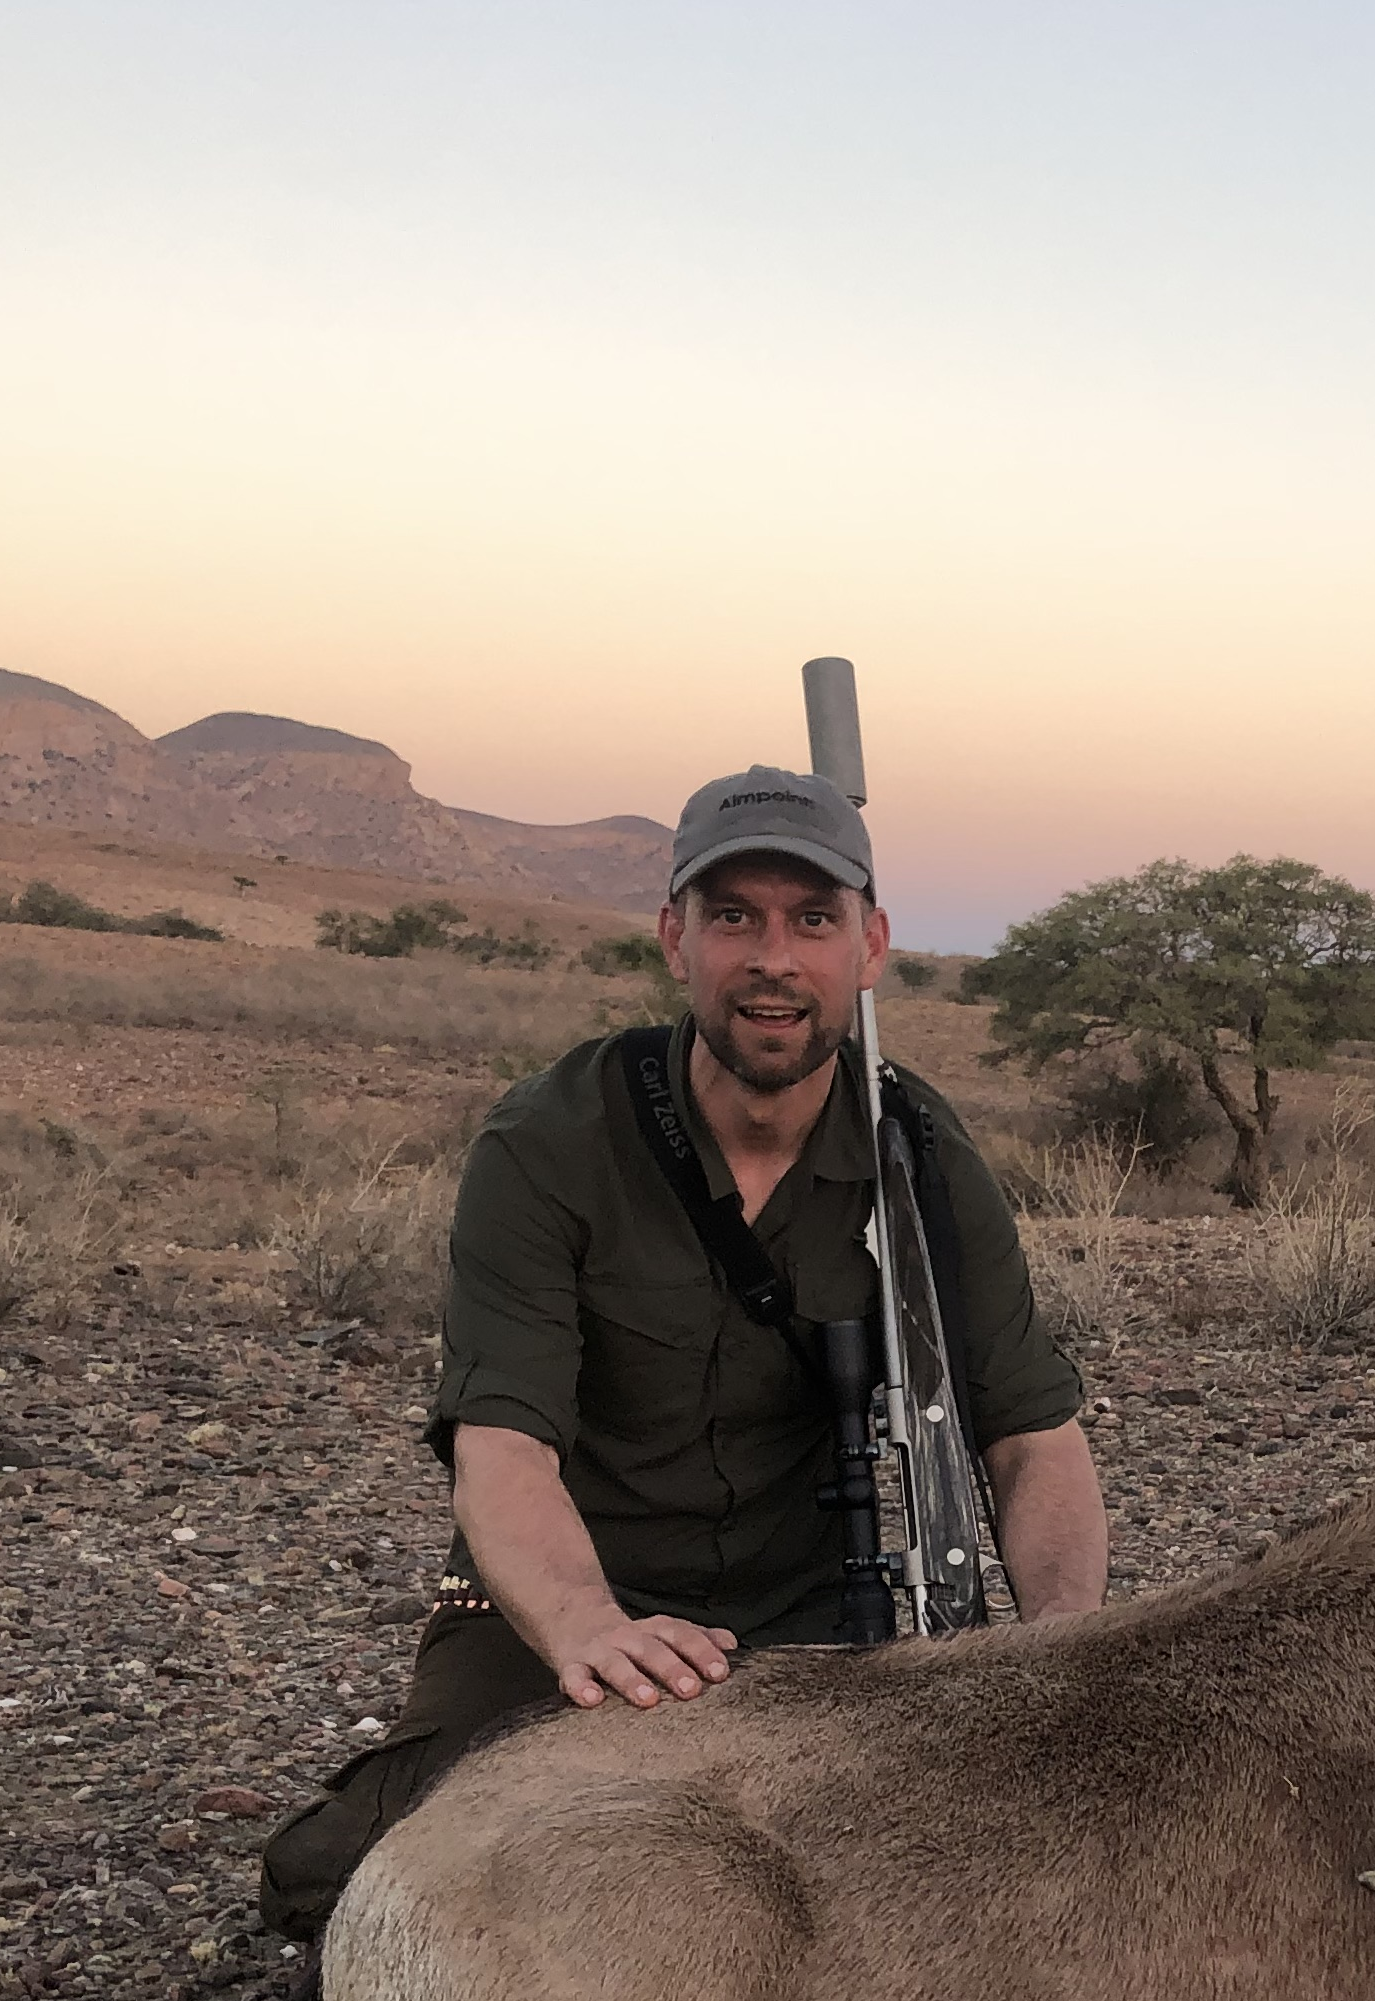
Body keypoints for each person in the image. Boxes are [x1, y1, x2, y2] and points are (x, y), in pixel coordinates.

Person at [259, 760, 1107, 1940]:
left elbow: (1031, 1434)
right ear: (675, 938)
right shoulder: (547, 1141)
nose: (774, 957)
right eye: (734, 918)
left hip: (813, 1624)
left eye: (814, 919)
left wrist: (1059, 1654)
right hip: (559, 1610)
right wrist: (593, 1635)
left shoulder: (923, 1151)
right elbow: (502, 1452)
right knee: (347, 1884)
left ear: (870, 948)